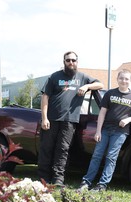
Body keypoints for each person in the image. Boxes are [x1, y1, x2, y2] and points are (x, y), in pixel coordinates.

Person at [38, 51, 104, 187]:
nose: (71, 63)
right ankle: (43, 178)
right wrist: (44, 118)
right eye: (68, 60)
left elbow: (100, 85)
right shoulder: (54, 77)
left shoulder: (83, 77)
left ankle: (58, 180)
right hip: (52, 118)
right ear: (64, 62)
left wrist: (87, 86)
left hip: (70, 120)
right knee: (46, 148)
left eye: (73, 60)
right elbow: (45, 97)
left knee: (62, 149)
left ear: (77, 62)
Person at [77, 69, 131, 192]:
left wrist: (128, 119)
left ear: (130, 81)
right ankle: (86, 182)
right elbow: (102, 113)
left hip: (120, 132)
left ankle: (102, 185)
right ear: (117, 79)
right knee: (96, 155)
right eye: (121, 78)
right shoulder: (110, 93)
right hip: (105, 130)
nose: (124, 81)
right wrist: (98, 131)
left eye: (126, 79)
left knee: (111, 157)